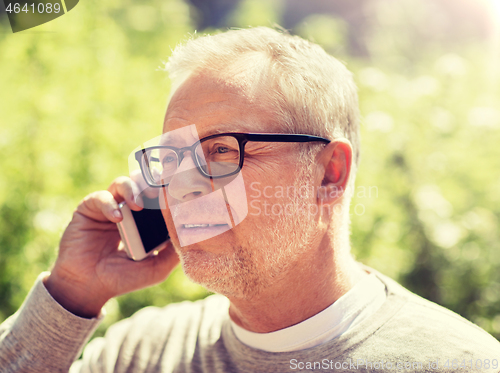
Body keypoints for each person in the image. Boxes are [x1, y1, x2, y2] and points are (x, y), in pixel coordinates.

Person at [1, 26, 499, 373]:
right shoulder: (141, 353)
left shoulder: (454, 363)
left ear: (330, 173)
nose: (183, 187)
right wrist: (70, 293)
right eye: (172, 158)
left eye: (220, 151)